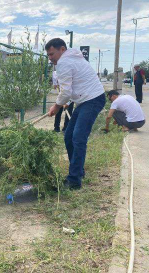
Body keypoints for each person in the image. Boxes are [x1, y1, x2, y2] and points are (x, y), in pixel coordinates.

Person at [46, 38, 105, 190]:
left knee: (78, 137)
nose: (50, 58)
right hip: (86, 100)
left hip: (92, 100)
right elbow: (71, 88)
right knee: (69, 136)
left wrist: (56, 107)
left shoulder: (64, 62)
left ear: (62, 50)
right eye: (48, 55)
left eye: (52, 54)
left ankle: (74, 180)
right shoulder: (73, 57)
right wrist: (67, 100)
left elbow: (65, 92)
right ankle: (78, 170)